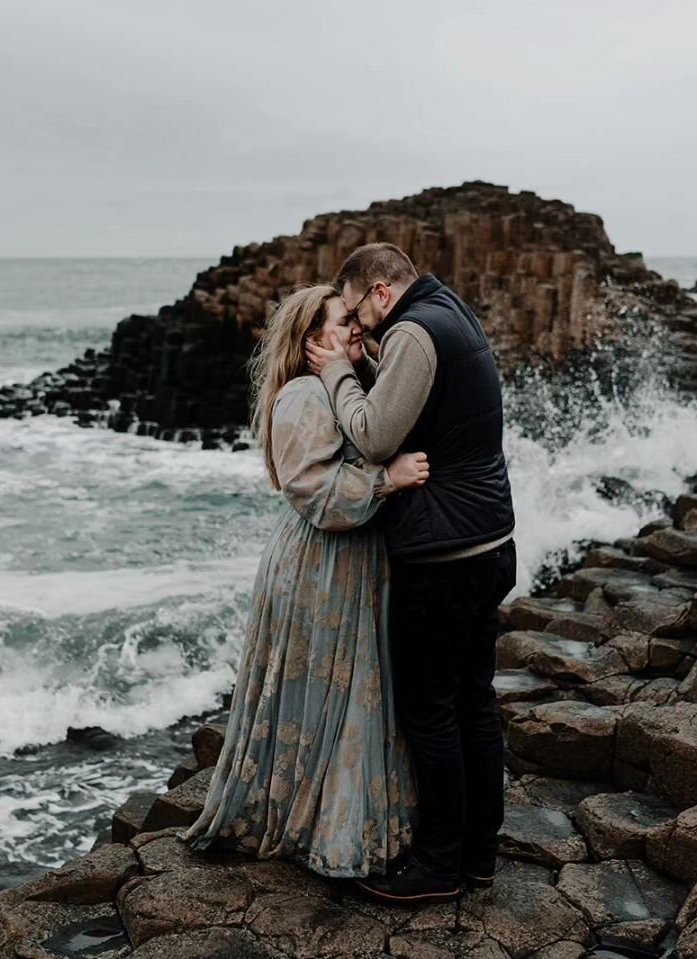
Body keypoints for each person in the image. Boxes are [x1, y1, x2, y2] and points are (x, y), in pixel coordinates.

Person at [182, 285, 429, 879]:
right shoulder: (300, 395)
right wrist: (386, 481)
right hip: (321, 562)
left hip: (355, 561)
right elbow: (312, 489)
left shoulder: (346, 385)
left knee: (354, 693)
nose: (355, 330)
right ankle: (318, 828)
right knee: (332, 697)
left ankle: (349, 818)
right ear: (312, 339)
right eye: (343, 322)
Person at [306, 243, 518, 904]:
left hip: (443, 555)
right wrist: (370, 360)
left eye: (356, 313)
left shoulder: (416, 333)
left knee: (430, 711)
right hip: (490, 541)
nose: (359, 328)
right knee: (473, 700)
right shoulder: (452, 312)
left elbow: (374, 435)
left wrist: (341, 370)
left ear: (378, 291)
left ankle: (438, 864)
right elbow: (427, 402)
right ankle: (479, 854)